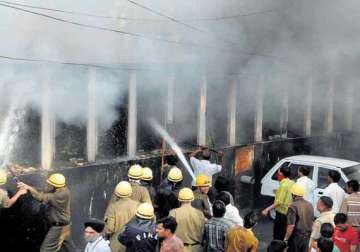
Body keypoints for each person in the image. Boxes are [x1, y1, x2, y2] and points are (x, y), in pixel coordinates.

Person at [18, 173, 76, 252]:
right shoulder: (61, 189)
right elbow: (43, 190)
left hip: (59, 227)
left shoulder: (61, 195)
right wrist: (27, 186)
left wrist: (29, 188)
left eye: (50, 184)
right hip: (64, 225)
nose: (48, 185)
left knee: (45, 250)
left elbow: (41, 197)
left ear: (55, 186)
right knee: (69, 249)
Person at [104, 181, 139, 252]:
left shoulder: (112, 207)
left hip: (117, 244)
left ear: (116, 193)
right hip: (133, 242)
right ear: (130, 192)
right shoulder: (138, 205)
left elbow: (109, 229)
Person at [262, 165, 295, 240]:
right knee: (283, 232)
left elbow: (279, 202)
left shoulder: (283, 185)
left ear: (281, 174)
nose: (277, 173)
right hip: (288, 212)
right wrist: (277, 191)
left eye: (278, 172)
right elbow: (288, 194)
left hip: (282, 213)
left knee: (278, 234)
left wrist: (267, 209)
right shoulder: (292, 182)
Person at [169, 187, 205, 252]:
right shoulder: (200, 214)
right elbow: (202, 232)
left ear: (179, 199)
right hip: (196, 248)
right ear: (192, 199)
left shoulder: (173, 213)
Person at [284, 183, 314, 252]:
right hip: (307, 237)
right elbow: (312, 222)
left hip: (296, 238)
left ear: (293, 195)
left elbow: (291, 226)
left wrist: (286, 239)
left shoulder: (292, 206)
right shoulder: (310, 205)